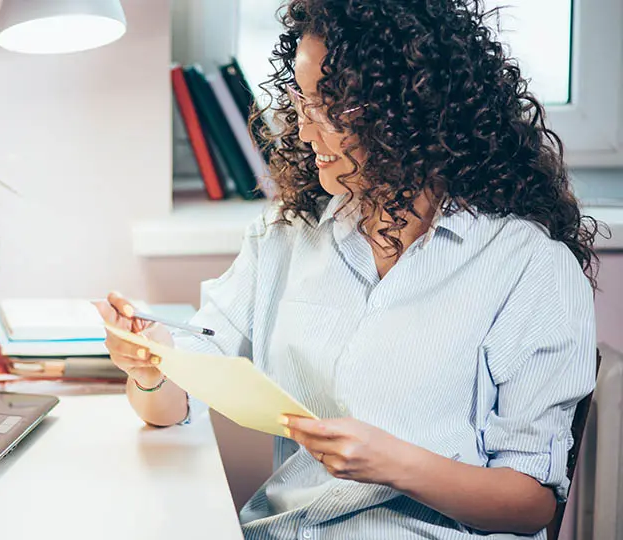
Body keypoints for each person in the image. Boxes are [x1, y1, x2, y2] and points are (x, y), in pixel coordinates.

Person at [95, 0, 600, 538]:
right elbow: (176, 400)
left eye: (329, 111)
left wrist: (393, 464)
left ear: (409, 109)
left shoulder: (528, 267)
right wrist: (152, 371)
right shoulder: (287, 236)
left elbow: (530, 504)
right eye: (300, 103)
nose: (307, 134)